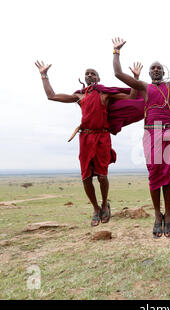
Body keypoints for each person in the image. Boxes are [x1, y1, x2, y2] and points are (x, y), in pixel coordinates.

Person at [35, 61, 144, 227]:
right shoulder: (80, 96)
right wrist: (44, 75)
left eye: (93, 73)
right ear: (84, 78)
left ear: (98, 78)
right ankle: (95, 208)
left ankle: (105, 204)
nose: (90, 75)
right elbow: (52, 96)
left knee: (102, 175)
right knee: (86, 177)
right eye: (87, 73)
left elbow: (132, 97)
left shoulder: (105, 94)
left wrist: (135, 78)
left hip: (102, 137)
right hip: (85, 138)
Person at [112, 38, 170, 238]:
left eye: (159, 68)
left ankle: (168, 214)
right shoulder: (145, 88)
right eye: (153, 68)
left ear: (163, 72)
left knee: (168, 174)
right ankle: (157, 215)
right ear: (149, 72)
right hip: (151, 133)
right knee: (155, 174)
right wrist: (116, 51)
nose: (156, 70)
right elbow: (118, 74)